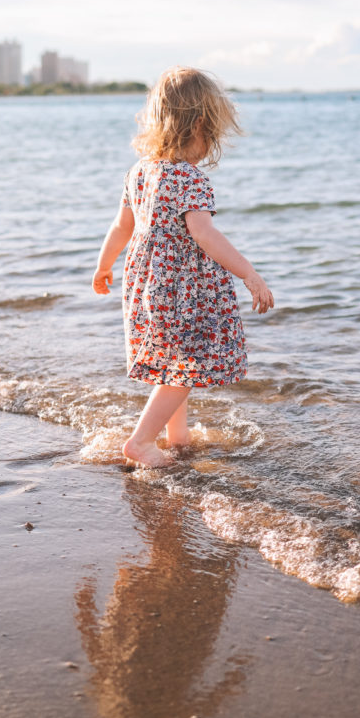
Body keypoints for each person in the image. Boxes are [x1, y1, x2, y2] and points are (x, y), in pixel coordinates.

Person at [92, 66, 274, 468]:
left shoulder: (139, 171)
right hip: (182, 288)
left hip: (144, 284)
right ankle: (140, 442)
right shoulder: (189, 179)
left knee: (175, 361)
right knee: (188, 363)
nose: (212, 145)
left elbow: (122, 225)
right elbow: (205, 234)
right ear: (200, 126)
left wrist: (104, 265)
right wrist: (249, 273)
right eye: (213, 134)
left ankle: (177, 437)